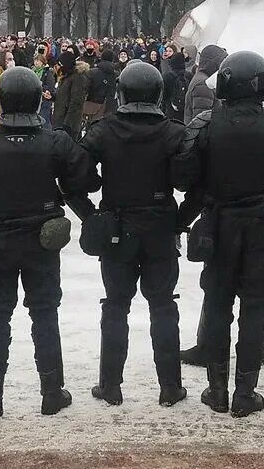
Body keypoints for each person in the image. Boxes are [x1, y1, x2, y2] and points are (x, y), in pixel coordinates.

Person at [171, 51, 264, 416]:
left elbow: (182, 177)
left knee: (220, 303)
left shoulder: (206, 124)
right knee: (257, 306)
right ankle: (244, 392)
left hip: (221, 226)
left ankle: (218, 389)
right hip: (263, 229)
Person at [0, 66, 93, 417]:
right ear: (38, 98)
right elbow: (84, 180)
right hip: (42, 242)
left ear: (1, 100)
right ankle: (52, 392)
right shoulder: (55, 142)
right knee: (44, 314)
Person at [79, 62, 188, 407]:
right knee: (162, 305)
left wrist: (93, 215)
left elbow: (73, 177)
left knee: (115, 306)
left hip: (118, 227)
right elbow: (193, 182)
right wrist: (181, 218)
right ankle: (170, 386)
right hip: (159, 228)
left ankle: (110, 385)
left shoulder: (103, 130)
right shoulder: (173, 132)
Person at [185, 44, 226, 124]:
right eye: (221, 62)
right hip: (204, 135)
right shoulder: (204, 84)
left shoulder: (203, 78)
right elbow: (201, 120)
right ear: (213, 62)